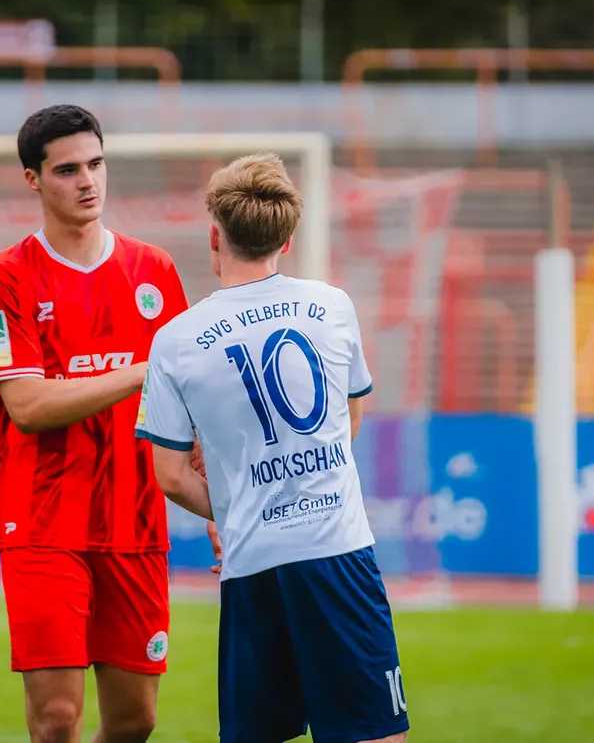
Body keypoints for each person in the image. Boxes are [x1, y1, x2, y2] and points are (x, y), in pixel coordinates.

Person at [135, 153, 411, 743]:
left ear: (216, 235)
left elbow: (170, 475)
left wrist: (236, 506)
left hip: (252, 567)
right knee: (373, 734)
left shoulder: (175, 340)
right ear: (287, 237)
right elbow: (348, 421)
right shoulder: (332, 305)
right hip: (337, 556)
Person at [0, 104, 189, 743]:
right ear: (33, 180)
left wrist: (220, 508)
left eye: (96, 164)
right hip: (42, 519)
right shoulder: (5, 276)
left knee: (134, 719)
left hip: (137, 515)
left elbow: (188, 404)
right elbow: (29, 406)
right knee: (57, 718)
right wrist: (140, 371)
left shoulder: (155, 271)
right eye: (67, 170)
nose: (88, 181)